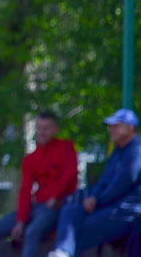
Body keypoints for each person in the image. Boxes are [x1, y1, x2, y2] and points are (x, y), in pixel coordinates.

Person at [0, 111, 77, 257]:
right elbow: (25, 190)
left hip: (55, 207)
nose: (42, 132)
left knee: (32, 232)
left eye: (46, 128)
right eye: (39, 128)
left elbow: (70, 176)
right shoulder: (30, 159)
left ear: (55, 129)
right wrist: (20, 221)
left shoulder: (66, 147)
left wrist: (56, 197)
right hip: (35, 207)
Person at [47, 109, 141, 257]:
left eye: (117, 125)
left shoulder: (136, 152)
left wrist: (96, 200)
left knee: (80, 231)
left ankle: (66, 250)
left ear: (130, 128)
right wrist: (93, 197)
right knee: (70, 211)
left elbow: (120, 186)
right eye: (111, 126)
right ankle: (62, 252)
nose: (112, 129)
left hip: (124, 212)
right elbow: (104, 180)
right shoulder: (118, 151)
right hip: (106, 206)